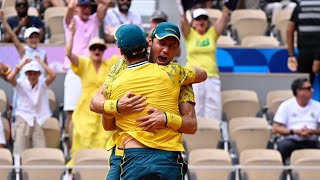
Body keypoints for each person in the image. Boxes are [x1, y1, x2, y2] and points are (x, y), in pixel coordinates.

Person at [90, 22, 200, 179]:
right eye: (161, 43)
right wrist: (115, 106)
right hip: (124, 154)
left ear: (178, 49)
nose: (166, 50)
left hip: (163, 154)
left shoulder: (179, 77)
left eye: (172, 46)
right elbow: (106, 121)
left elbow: (192, 125)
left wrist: (166, 118)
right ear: (150, 42)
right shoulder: (122, 66)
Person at [65, 19, 118, 165]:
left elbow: (127, 56)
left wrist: (118, 35)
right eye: (94, 48)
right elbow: (68, 54)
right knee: (83, 137)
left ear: (104, 50)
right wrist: (72, 33)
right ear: (89, 50)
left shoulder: (110, 63)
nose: (97, 51)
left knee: (105, 139)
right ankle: (81, 170)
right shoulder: (83, 63)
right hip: (86, 108)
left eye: (100, 48)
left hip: (104, 107)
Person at [178, 0, 238, 120]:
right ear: (193, 22)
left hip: (212, 77)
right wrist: (182, 7)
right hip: (193, 78)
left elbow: (224, 17)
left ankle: (212, 137)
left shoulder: (212, 34)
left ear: (207, 22)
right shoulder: (189, 34)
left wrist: (227, 7)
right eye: (198, 19)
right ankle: (196, 138)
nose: (201, 21)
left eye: (204, 18)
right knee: (195, 110)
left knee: (214, 111)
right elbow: (182, 18)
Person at [63, 0, 110, 137]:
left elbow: (106, 3)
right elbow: (71, 5)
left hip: (93, 69)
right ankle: (70, 146)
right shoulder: (72, 20)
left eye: (88, 6)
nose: (86, 9)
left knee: (96, 111)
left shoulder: (95, 19)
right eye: (83, 6)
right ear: (78, 7)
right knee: (72, 112)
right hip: (76, 67)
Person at [6, 57, 56, 154]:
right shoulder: (21, 83)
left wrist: (41, 62)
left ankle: (38, 168)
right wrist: (22, 63)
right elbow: (10, 78)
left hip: (37, 119)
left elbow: (53, 75)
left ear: (39, 74)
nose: (32, 76)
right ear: (26, 74)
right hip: (23, 118)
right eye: (30, 73)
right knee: (20, 149)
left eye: (35, 73)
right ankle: (18, 169)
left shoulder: (42, 84)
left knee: (40, 149)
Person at [272, 78, 320, 163]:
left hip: (312, 140)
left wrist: (312, 131)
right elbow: (275, 128)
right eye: (308, 88)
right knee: (283, 146)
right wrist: (295, 132)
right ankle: (283, 174)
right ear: (299, 91)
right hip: (292, 140)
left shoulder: (317, 106)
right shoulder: (286, 105)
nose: (312, 90)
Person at [1, 10, 48, 77]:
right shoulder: (23, 50)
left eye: (36, 37)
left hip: (39, 84)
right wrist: (3, 20)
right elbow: (13, 36)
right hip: (25, 84)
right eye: (31, 37)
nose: (34, 40)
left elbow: (47, 71)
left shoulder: (43, 52)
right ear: (26, 39)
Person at [287, 0, 320, 84]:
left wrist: (291, 54)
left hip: (304, 53)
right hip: (314, 51)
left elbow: (289, 30)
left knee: (303, 87)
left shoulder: (300, 6)